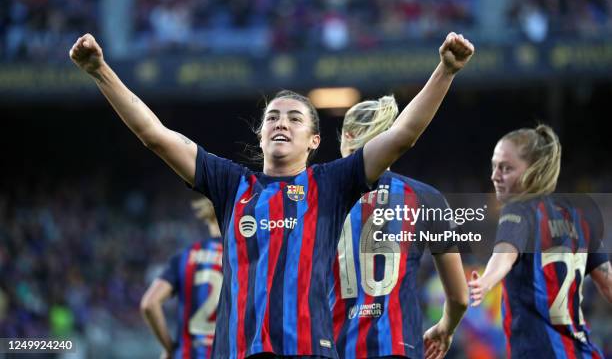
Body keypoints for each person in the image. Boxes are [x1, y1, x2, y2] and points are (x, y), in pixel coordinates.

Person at [69, 31, 474, 358]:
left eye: (295, 118)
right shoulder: (231, 185)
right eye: (272, 118)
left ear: (314, 139)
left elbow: (403, 136)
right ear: (260, 135)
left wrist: (446, 70)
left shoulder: (330, 184)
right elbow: (154, 135)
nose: (281, 123)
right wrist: (100, 70)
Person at [329, 96, 468, 359]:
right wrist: (445, 328)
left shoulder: (317, 195)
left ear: (347, 135)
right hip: (399, 347)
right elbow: (460, 297)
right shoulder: (429, 197)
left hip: (334, 348)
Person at [469, 125, 612, 358]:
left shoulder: (519, 211)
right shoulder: (580, 215)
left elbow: (505, 255)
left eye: (505, 168)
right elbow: (608, 285)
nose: (494, 175)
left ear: (533, 170)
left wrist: (486, 281)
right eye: (494, 166)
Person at [141, 197, 223, 359]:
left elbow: (149, 304)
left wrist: (170, 348)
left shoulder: (185, 257)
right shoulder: (243, 257)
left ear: (207, 218)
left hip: (188, 353)